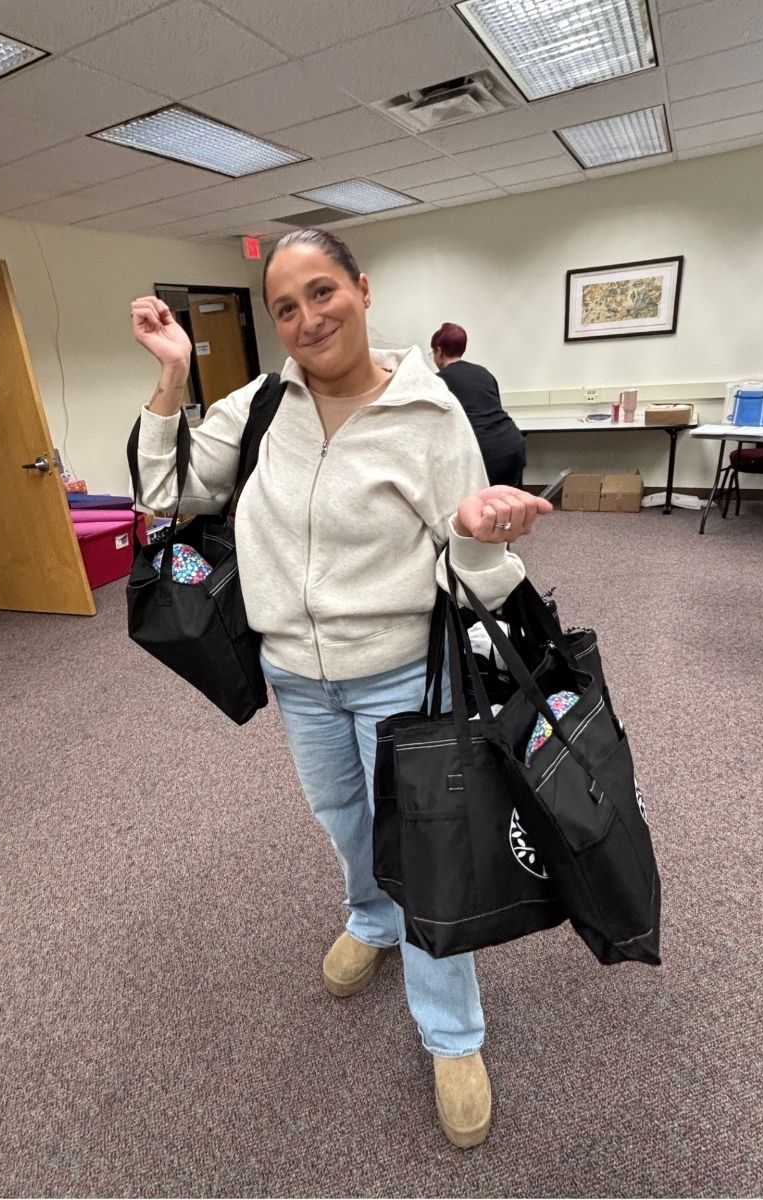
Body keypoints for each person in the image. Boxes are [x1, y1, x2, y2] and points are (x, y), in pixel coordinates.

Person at [128, 228, 551, 1150]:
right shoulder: (260, 404)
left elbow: (478, 572)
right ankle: (369, 916)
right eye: (286, 306)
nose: (308, 318)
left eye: (323, 293)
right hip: (296, 674)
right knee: (342, 818)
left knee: (429, 848)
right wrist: (170, 375)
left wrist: (480, 530)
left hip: (402, 669)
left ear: (361, 289)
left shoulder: (430, 415)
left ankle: (452, 1035)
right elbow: (165, 492)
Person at [431, 323, 527, 487]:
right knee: (506, 501)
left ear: (438, 351)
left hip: (482, 452)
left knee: (480, 505)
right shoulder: (483, 372)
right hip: (512, 443)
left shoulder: (437, 381)